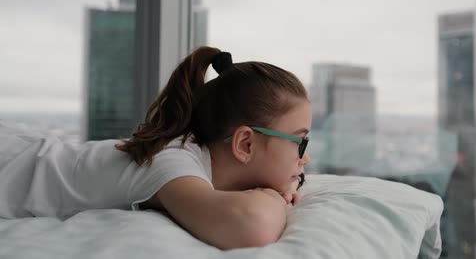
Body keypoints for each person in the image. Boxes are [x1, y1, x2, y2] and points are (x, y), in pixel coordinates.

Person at [0, 46, 312, 250]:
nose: (306, 158)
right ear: (245, 143)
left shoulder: (190, 158)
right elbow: (250, 226)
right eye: (300, 142)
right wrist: (270, 196)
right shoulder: (172, 162)